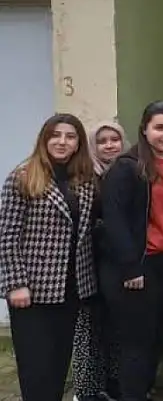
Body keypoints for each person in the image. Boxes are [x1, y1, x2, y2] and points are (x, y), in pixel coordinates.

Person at [0, 114, 98, 401]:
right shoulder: (23, 176)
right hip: (32, 293)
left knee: (57, 367)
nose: (62, 141)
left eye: (70, 136)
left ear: (79, 142)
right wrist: (16, 283)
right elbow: (7, 236)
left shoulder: (83, 179)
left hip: (69, 291)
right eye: (56, 135)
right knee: (36, 371)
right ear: (44, 138)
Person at [100, 101, 163, 401]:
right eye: (160, 128)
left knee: (155, 339)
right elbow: (114, 221)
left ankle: (143, 392)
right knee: (136, 344)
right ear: (144, 129)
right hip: (140, 267)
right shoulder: (127, 167)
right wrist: (131, 267)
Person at [73, 121, 128, 401]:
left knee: (118, 326)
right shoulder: (84, 177)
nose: (109, 145)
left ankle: (117, 384)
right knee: (89, 329)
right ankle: (87, 390)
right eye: (103, 141)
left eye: (115, 139)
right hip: (88, 263)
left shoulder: (130, 172)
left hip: (119, 263)